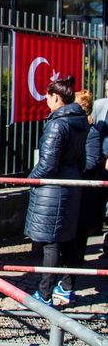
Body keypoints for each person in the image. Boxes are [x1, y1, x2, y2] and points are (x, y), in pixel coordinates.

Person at [24, 76, 88, 307]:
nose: (46, 101)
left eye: (48, 96)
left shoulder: (57, 124)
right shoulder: (80, 120)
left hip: (53, 189)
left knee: (51, 243)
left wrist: (31, 179)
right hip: (72, 184)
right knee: (68, 239)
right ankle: (68, 288)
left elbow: (48, 163)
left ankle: (44, 293)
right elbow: (83, 159)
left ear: (57, 98)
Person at [74, 90, 108, 267]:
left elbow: (91, 157)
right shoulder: (101, 107)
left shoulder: (92, 130)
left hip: (94, 175)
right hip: (94, 171)